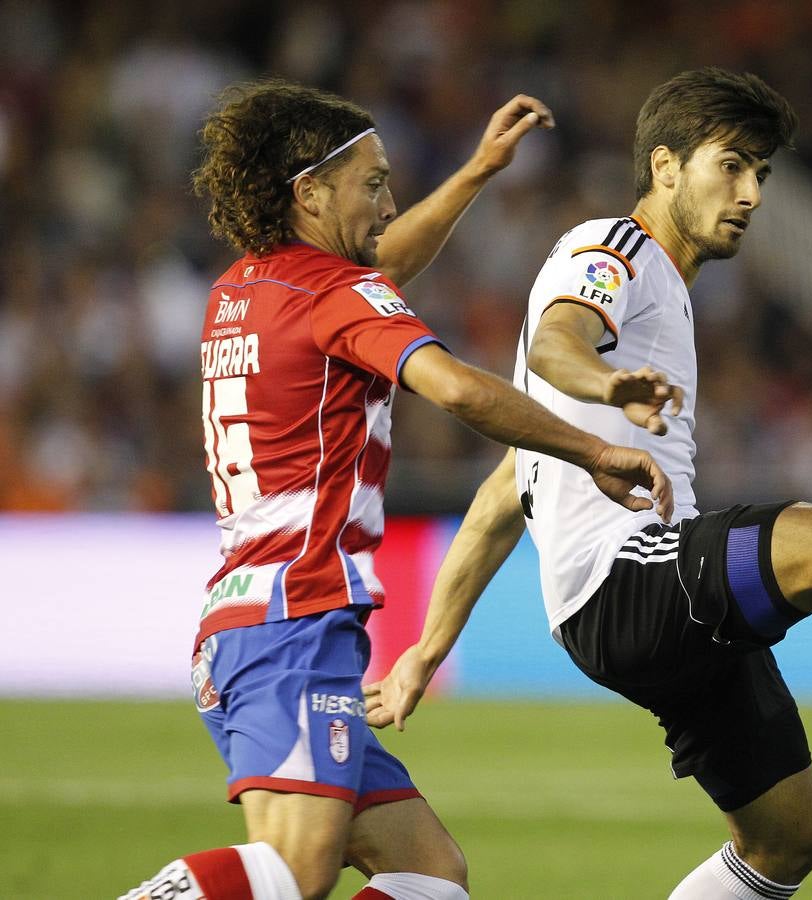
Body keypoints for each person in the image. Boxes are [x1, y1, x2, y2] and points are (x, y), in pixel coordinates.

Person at [367, 68, 812, 896]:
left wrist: (424, 654)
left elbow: (501, 497)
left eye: (760, 173)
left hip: (620, 610)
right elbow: (558, 342)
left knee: (786, 841)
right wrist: (602, 385)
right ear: (665, 167)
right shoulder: (613, 251)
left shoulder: (667, 292)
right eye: (731, 165)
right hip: (628, 580)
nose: (752, 193)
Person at [120, 79, 672, 900]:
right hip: (294, 620)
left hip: (246, 618)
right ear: (308, 190)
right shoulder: (335, 295)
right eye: (372, 183)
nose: (387, 200)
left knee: (426, 873)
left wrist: (478, 170)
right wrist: (591, 446)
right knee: (295, 872)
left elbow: (380, 265)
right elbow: (452, 388)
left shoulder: (241, 289)